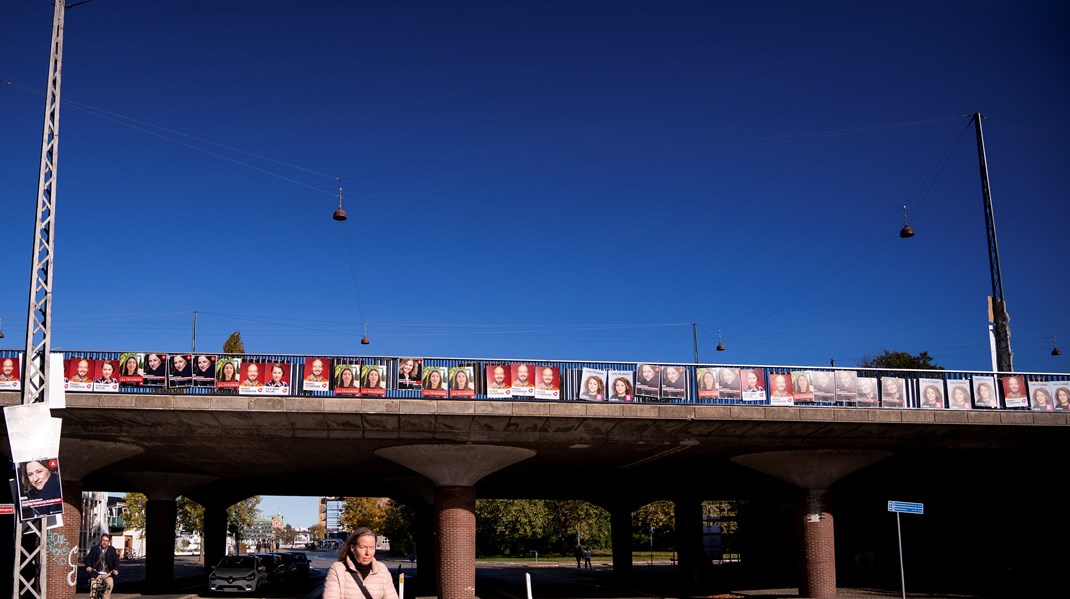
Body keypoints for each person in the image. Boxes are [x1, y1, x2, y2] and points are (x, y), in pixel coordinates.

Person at [323, 528, 399, 599]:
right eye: (363, 547)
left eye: (372, 548)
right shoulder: (337, 570)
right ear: (352, 548)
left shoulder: (382, 570)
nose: (368, 553)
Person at [85, 533, 120, 599]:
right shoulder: (94, 549)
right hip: (96, 573)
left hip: (108, 574)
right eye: (103, 540)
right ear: (100, 540)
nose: (104, 542)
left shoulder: (112, 550)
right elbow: (88, 559)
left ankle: (105, 597)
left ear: (109, 542)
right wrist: (88, 566)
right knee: (94, 588)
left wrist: (116, 569)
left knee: (109, 585)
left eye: (106, 541)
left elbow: (116, 561)